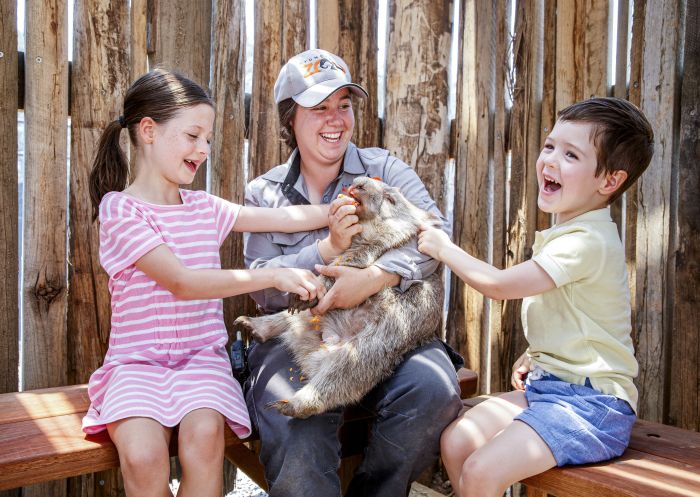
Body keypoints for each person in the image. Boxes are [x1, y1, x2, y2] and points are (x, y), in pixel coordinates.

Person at [81, 68, 332, 497]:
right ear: (148, 131)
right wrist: (273, 274)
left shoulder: (204, 206)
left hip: (201, 362)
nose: (204, 149)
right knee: (143, 457)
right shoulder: (121, 211)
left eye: (208, 139)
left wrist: (339, 209)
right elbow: (180, 281)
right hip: (137, 364)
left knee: (204, 441)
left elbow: (284, 217)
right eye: (193, 135)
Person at [243, 48, 464, 497]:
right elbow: (263, 289)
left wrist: (379, 275)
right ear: (290, 119)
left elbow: (438, 239)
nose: (336, 119)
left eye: (343, 105)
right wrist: (326, 249)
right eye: (319, 108)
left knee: (434, 391)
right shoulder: (264, 193)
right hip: (305, 332)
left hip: (391, 331)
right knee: (295, 422)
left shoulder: (385, 170)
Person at [417, 97, 655, 497]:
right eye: (550, 146)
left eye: (571, 154)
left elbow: (498, 285)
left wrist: (444, 248)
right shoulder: (568, 234)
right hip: (550, 390)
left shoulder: (586, 241)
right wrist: (536, 352)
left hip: (592, 406)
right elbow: (578, 315)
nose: (551, 160)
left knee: (480, 470)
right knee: (457, 442)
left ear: (609, 181)